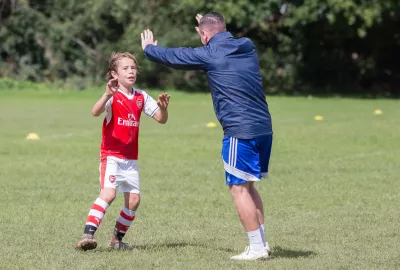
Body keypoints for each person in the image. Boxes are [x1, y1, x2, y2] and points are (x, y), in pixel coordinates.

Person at [140, 12, 273, 260]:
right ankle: (262, 243)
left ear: (203, 33)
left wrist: (149, 49)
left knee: (238, 189)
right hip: (264, 127)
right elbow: (218, 35)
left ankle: (256, 248)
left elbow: (175, 56)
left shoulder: (210, 53)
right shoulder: (247, 46)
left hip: (239, 130)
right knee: (249, 186)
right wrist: (209, 26)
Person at [75, 52, 170, 251]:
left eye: (133, 68)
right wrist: (106, 94)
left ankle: (116, 241)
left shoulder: (141, 96)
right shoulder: (113, 95)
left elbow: (161, 119)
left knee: (134, 200)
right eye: (125, 68)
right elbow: (95, 111)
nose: (131, 71)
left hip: (130, 159)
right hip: (111, 156)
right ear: (114, 74)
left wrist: (163, 108)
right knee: (108, 194)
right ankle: (87, 235)